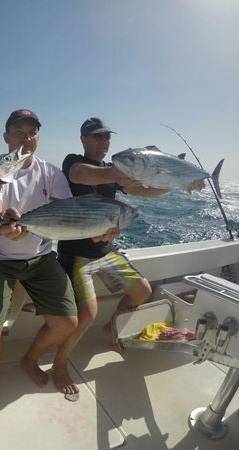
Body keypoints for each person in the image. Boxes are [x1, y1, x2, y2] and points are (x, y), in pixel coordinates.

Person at [56, 117, 203, 396]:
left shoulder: (117, 173)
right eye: (97, 136)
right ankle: (60, 364)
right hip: (76, 254)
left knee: (142, 291)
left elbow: (144, 191)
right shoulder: (73, 162)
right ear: (83, 138)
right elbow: (82, 175)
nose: (103, 141)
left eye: (107, 137)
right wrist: (123, 172)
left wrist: (180, 182)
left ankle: (112, 328)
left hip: (105, 250)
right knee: (87, 314)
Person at [0, 109, 79, 404]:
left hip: (40, 256)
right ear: (6, 137)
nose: (26, 139)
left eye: (32, 133)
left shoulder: (51, 174)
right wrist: (3, 222)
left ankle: (29, 360)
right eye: (19, 132)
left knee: (67, 323)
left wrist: (97, 229)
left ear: (38, 137)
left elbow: (67, 214)